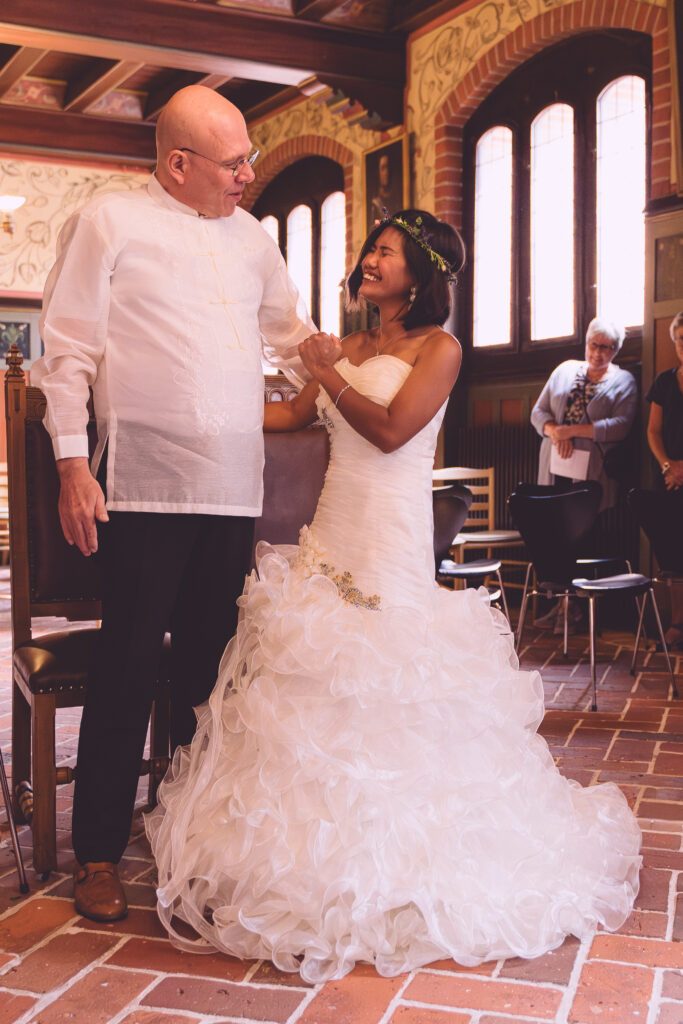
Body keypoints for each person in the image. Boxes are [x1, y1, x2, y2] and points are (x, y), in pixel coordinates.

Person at [146, 210, 641, 984]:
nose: (370, 260)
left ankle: (405, 863)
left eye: (387, 253)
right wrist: (206, 399)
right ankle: (304, 861)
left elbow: (388, 430)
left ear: (421, 275)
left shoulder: (438, 349)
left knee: (385, 677)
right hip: (331, 527)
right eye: (370, 250)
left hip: (387, 533)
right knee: (310, 677)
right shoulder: (347, 346)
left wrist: (327, 366)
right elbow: (287, 415)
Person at [31, 85, 315, 923]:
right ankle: (95, 857)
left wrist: (354, 364)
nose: (248, 175)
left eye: (249, 159)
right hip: (143, 488)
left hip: (233, 491)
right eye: (234, 162)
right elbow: (68, 351)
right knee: (125, 671)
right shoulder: (109, 222)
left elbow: (291, 337)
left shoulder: (254, 238)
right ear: (178, 163)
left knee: (206, 676)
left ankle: (191, 842)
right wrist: (74, 467)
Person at [530, 318, 638, 632]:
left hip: (591, 474)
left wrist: (572, 431)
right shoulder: (564, 370)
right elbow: (538, 412)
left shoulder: (624, 381)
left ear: (615, 350)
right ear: (586, 343)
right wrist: (554, 432)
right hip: (555, 468)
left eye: (607, 347)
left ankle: (580, 610)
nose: (599, 352)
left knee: (584, 539)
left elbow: (620, 425)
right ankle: (561, 605)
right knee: (554, 536)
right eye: (595, 344)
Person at [631, 311, 683, 648]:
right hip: (671, 479)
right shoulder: (665, 381)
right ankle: (679, 624)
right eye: (681, 339)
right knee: (674, 551)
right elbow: (653, 431)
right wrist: (669, 466)